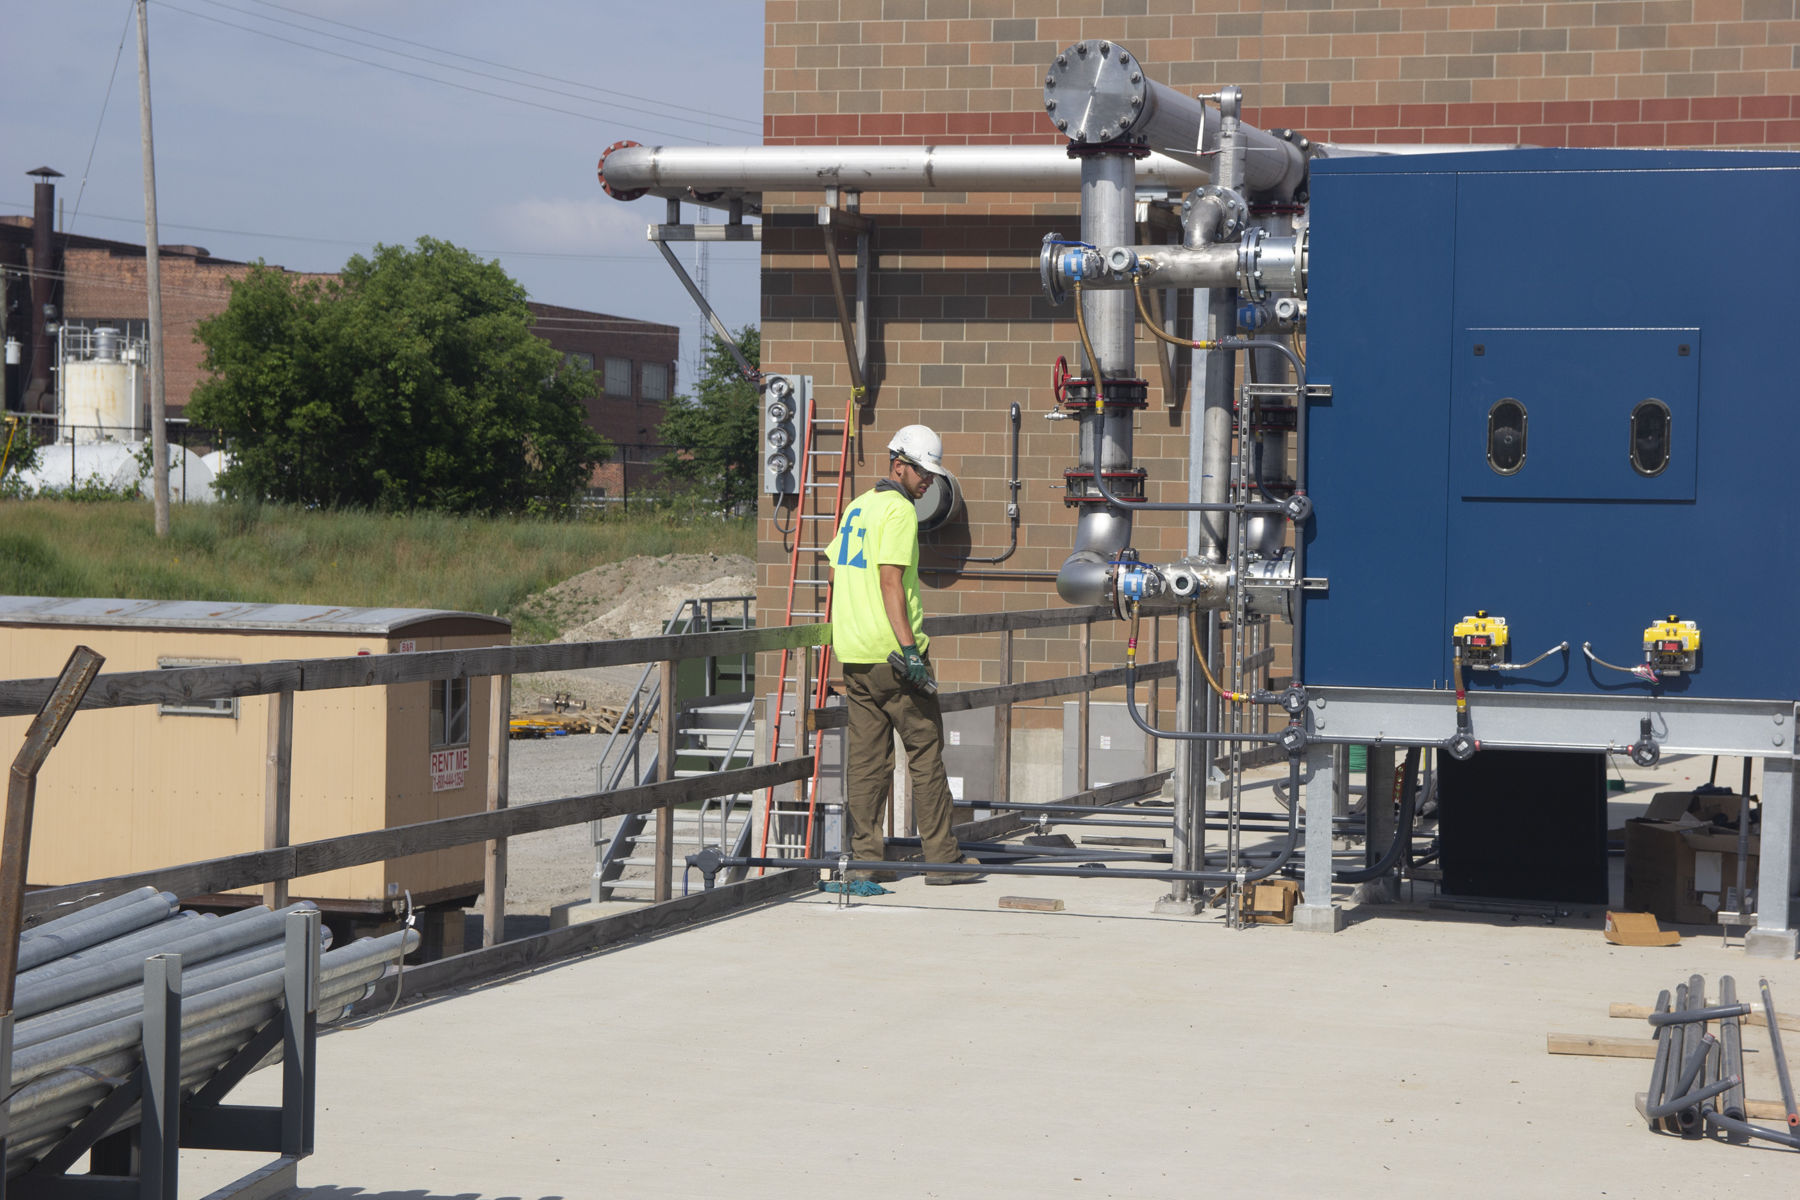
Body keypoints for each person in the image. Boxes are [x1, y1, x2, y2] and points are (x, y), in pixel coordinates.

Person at [824, 424, 980, 885]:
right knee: (925, 753)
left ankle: (865, 862)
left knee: (868, 762)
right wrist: (910, 651)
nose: (929, 480)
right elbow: (890, 580)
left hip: (854, 656)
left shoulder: (858, 507)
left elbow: (836, 578)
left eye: (932, 473)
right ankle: (942, 862)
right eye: (923, 472)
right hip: (894, 658)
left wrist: (852, 628)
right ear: (899, 465)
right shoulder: (897, 511)